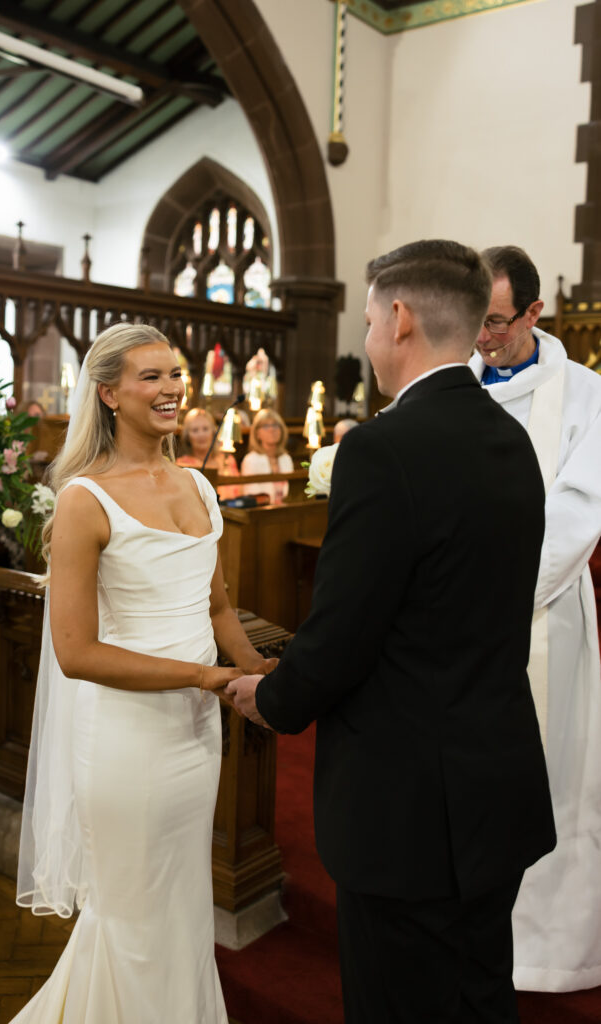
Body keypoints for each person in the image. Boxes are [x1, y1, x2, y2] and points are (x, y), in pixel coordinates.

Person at [227, 240, 556, 1024]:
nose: (369, 335)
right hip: (492, 787)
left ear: (399, 318)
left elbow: (343, 632)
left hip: (405, 810)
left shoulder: (382, 449)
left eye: (370, 317)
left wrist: (273, 697)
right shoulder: (511, 439)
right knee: (478, 996)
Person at [11, 323, 277, 1024]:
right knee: (129, 910)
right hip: (128, 737)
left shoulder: (195, 483)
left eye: (173, 375)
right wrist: (204, 678)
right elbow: (77, 653)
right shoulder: (84, 500)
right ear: (108, 394)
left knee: (181, 902)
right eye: (150, 377)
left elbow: (216, 602)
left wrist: (255, 669)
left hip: (195, 736)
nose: (169, 389)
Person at [468, 244, 601, 993]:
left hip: (543, 611)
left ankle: (549, 948)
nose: (482, 338)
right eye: (474, 322)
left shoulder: (584, 394)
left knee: (551, 773)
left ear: (531, 311)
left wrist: (496, 599)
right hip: (463, 618)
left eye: (494, 322)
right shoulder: (457, 385)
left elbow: (579, 511)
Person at [176, 406, 241, 500]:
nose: (201, 435)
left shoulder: (228, 460)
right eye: (195, 430)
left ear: (213, 432)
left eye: (205, 429)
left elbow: (240, 492)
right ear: (187, 436)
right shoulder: (182, 466)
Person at [240, 408, 293, 504]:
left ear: (281, 430)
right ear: (257, 434)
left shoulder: (286, 458)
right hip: (262, 512)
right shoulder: (251, 460)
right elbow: (251, 495)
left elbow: (292, 493)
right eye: (265, 426)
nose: (271, 429)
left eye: (275, 425)